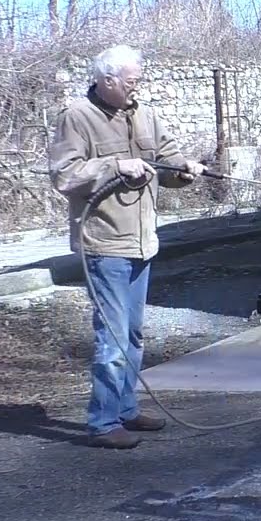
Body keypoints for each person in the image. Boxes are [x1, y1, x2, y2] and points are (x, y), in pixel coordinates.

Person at [47, 45, 206, 449]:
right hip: (104, 242)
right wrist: (115, 165)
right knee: (112, 337)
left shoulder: (146, 114)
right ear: (107, 80)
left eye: (138, 79)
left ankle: (126, 409)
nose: (137, 86)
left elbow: (167, 162)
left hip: (142, 243)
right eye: (131, 80)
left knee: (133, 335)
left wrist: (186, 171)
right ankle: (102, 423)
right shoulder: (77, 117)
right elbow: (64, 176)